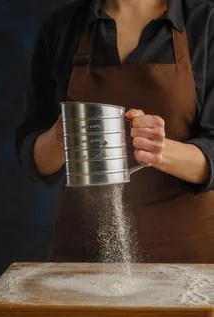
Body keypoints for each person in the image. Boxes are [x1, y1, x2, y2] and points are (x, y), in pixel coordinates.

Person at [15, 0, 214, 263]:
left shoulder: (206, 22)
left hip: (186, 256)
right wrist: (60, 139)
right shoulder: (61, 27)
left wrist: (160, 150)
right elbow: (31, 158)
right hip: (82, 256)